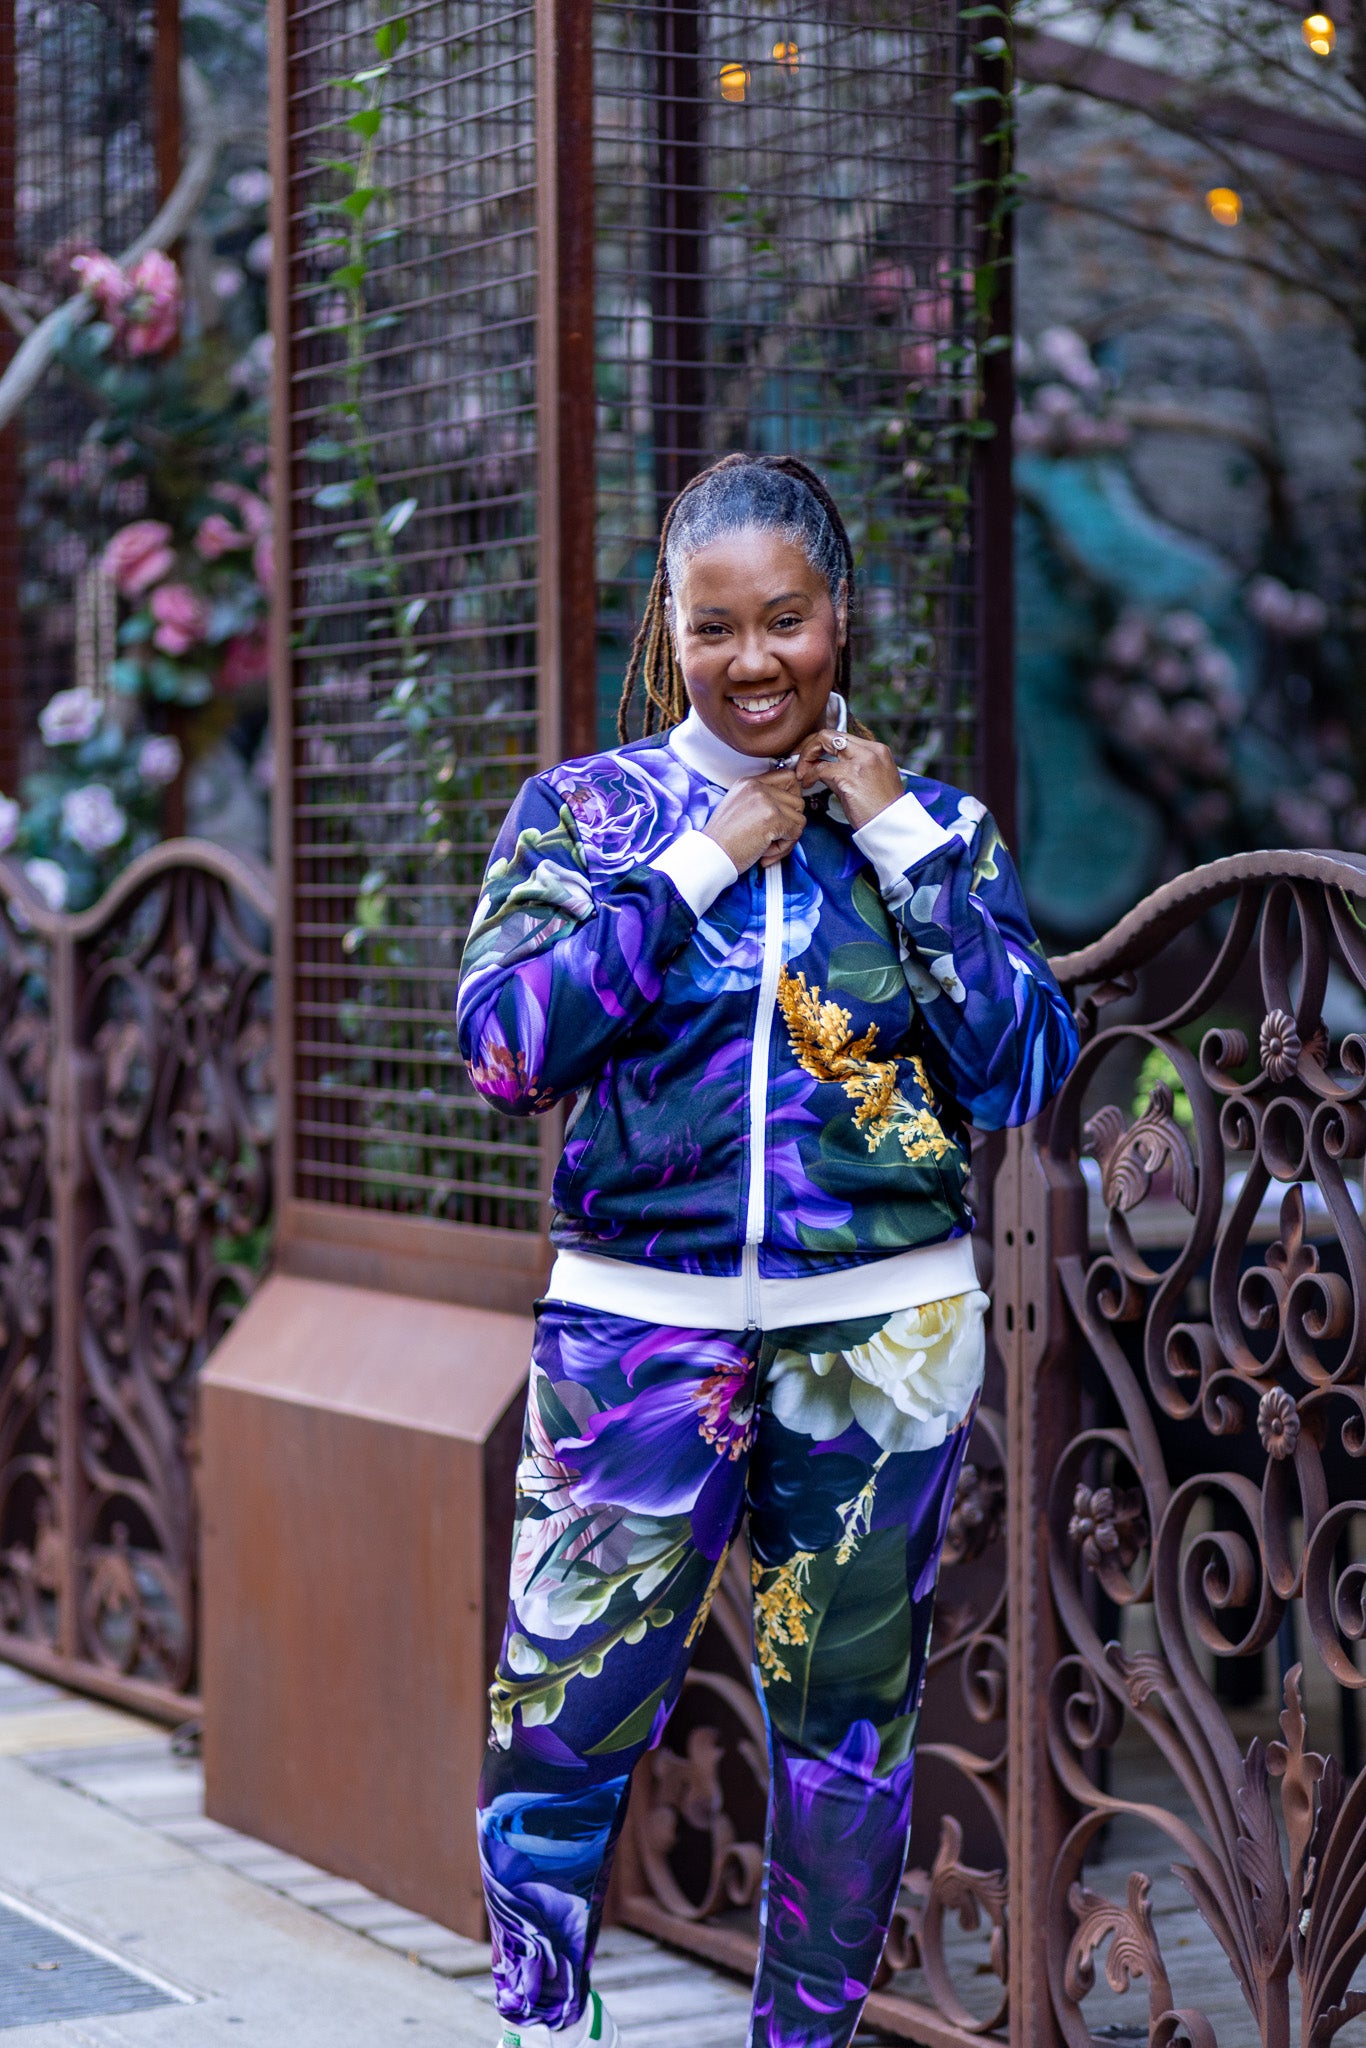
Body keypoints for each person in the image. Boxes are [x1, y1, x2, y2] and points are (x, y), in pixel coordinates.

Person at [457, 454, 1077, 2048]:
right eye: (714, 627)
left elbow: (1022, 1068)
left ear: (837, 615)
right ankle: (541, 2025)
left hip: (878, 1346)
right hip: (632, 1335)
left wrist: (899, 845)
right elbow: (508, 1052)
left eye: (783, 621)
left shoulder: (937, 828)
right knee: (558, 1720)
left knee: (842, 1749)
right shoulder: (584, 815)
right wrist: (701, 862)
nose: (752, 662)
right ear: (669, 629)